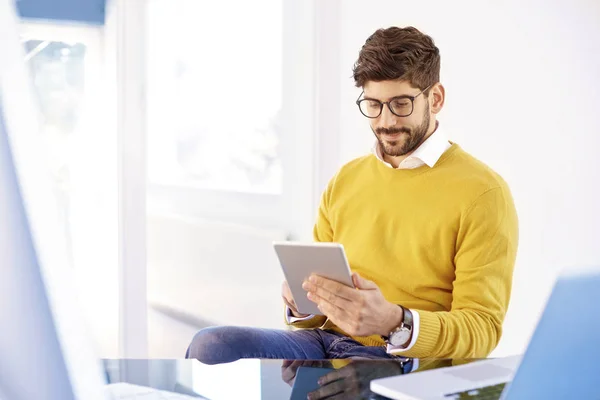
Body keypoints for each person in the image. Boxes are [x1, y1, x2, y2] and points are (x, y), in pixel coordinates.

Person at [185, 26, 519, 364]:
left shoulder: (483, 192)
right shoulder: (346, 179)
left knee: (350, 379)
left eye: (400, 104)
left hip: (404, 358)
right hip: (326, 341)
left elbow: (483, 328)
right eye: (373, 104)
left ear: (435, 98)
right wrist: (302, 303)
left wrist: (395, 321)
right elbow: (315, 316)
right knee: (210, 345)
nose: (385, 121)